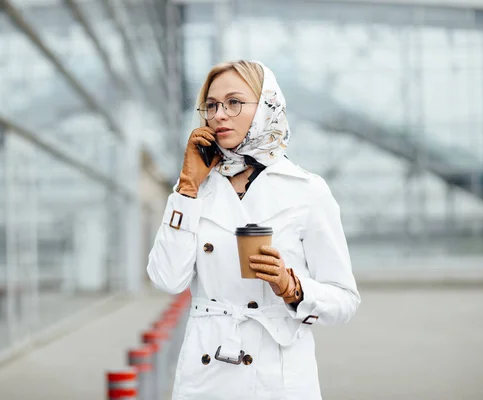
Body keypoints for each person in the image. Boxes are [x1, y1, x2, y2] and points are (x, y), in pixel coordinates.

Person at [146, 60, 360, 400]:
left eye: (234, 102)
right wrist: (186, 187)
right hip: (207, 375)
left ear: (265, 106)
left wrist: (292, 288)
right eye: (212, 105)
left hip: (279, 377)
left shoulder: (306, 190)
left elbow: (345, 300)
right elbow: (166, 279)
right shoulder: (194, 189)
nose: (219, 115)